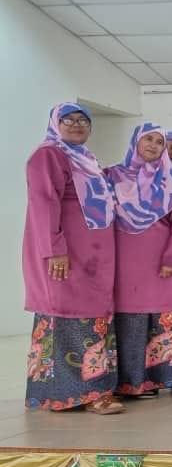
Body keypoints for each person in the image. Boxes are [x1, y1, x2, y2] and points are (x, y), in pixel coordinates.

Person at [23, 102, 122, 414]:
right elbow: (44, 203)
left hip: (93, 259)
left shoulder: (87, 160)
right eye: (68, 120)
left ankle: (72, 393)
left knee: (90, 317)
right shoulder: (48, 155)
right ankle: (84, 395)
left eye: (83, 120)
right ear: (55, 124)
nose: (77, 124)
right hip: (67, 256)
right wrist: (55, 250)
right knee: (69, 318)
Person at [106, 122, 172, 398]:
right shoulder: (112, 176)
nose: (154, 146)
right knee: (130, 319)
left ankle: (161, 378)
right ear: (136, 142)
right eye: (148, 139)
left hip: (161, 261)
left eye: (159, 142)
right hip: (125, 260)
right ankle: (132, 382)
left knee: (161, 315)